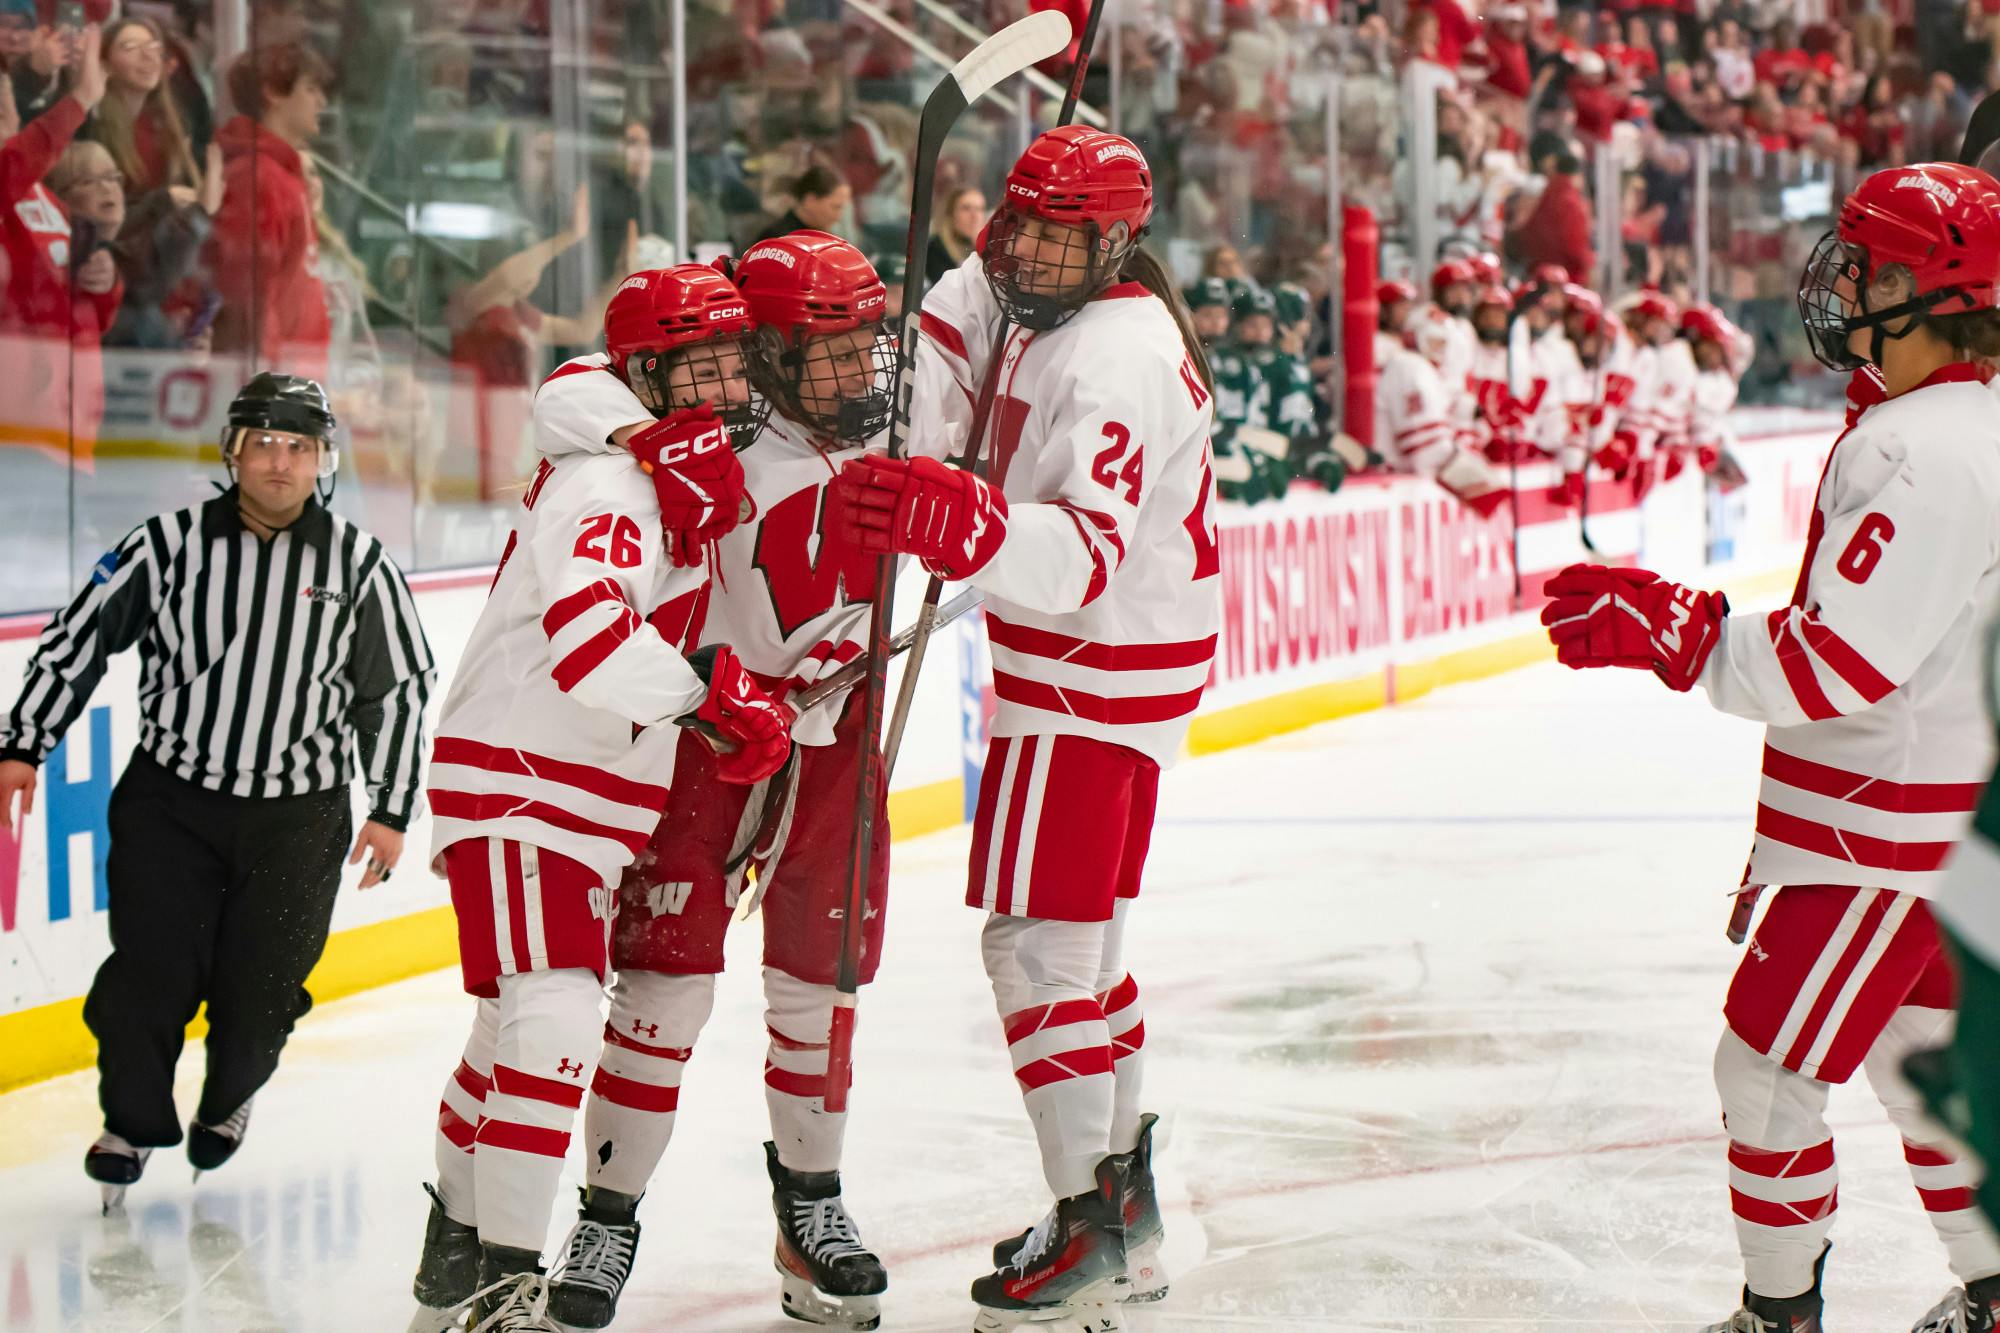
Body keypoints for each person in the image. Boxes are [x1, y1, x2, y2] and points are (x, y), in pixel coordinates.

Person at [1539, 161, 2000, 1333]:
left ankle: (1776, 1316)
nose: (1840, 281)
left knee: (1766, 1070)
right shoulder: (1955, 424)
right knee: (1916, 1064)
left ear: (1930, 292)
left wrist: (1673, 630)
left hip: (1885, 834)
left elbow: (1833, 665)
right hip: (1925, 823)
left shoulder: (1928, 445)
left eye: (1867, 263)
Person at [829, 125, 1219, 1329]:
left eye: (1067, 236)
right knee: (1086, 950)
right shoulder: (1068, 318)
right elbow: (954, 354)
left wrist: (962, 522)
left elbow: (1086, 556)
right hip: (1110, 679)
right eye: (1025, 227)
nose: (1037, 255)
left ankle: (1088, 1222)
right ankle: (1124, 1205)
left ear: (1116, 245)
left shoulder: (1110, 359)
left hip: (1084, 678)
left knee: (1034, 951)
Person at [406, 267, 793, 1332]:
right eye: (700, 365)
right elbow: (589, 642)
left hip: (564, 786)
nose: (725, 384)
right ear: (649, 377)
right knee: (555, 1014)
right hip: (529, 781)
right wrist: (712, 698)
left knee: (508, 1032)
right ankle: (500, 1279)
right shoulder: (612, 481)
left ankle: (454, 1246)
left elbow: (580, 382)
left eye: (732, 360)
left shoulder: (659, 465)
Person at [526, 233, 897, 1331]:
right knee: (663, 987)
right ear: (767, 352)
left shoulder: (891, 404)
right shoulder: (706, 421)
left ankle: (810, 1210)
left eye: (863, 346)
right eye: (826, 352)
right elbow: (568, 390)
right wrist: (648, 431)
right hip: (710, 735)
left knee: (817, 984)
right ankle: (608, 1212)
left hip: (835, 738)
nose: (855, 374)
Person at [0, 373, 435, 1211]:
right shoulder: (164, 544)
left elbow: (400, 688)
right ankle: (129, 1121)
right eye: (264, 443)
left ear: (322, 461)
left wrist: (388, 807)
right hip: (173, 805)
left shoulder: (359, 561)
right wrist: (24, 743)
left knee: (261, 990)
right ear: (233, 452)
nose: (280, 462)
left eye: (298, 447)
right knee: (148, 978)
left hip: (300, 819)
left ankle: (229, 1092)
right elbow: (78, 639)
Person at [1, 22, 117, 459]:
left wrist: (105, 282)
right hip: (18, 431)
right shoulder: (7, 184)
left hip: (72, 429)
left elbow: (88, 302)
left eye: (3, 111)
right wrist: (81, 99)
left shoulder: (44, 196)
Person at [208, 41, 331, 379]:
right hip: (276, 383)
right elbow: (251, 298)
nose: (321, 102)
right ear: (274, 93)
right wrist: (270, 386)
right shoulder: (258, 178)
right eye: (310, 89)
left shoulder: (283, 177)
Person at [89, 16, 201, 198]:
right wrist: (166, 199)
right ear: (105, 65)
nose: (147, 56)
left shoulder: (171, 123)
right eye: (130, 48)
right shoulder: (94, 127)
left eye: (153, 47)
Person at [753, 164, 849, 246]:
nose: (838, 217)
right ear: (810, 201)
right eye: (835, 207)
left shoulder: (828, 240)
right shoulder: (778, 241)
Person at [926, 184, 985, 285]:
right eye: (966, 208)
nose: (974, 216)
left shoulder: (989, 250)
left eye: (979, 209)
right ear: (951, 214)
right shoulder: (935, 249)